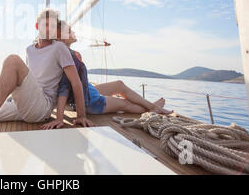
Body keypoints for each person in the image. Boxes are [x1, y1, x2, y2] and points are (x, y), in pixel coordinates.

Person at [0, 8, 94, 142]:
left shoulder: (59, 48)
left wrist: (81, 115)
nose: (50, 29)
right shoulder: (29, 49)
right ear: (37, 26)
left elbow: (75, 82)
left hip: (42, 107)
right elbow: (29, 78)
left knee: (12, 60)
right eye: (46, 25)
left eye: (54, 26)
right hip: (23, 105)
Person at [42, 21, 172, 130]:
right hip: (91, 102)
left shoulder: (71, 53)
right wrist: (61, 117)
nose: (73, 32)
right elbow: (63, 88)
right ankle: (151, 110)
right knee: (125, 105)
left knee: (119, 84)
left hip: (88, 90)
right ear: (61, 38)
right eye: (70, 30)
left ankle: (152, 106)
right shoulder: (67, 58)